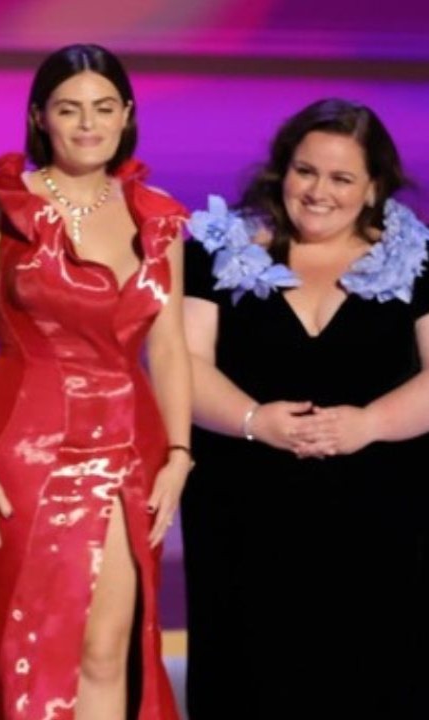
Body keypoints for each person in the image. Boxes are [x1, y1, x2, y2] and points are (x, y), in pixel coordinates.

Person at [0, 44, 191, 719]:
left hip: (129, 446)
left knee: (107, 645)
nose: (87, 124)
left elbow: (172, 350)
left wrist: (179, 455)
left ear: (127, 115)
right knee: (23, 642)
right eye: (69, 109)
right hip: (22, 450)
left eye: (103, 108)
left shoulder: (160, 218)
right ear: (40, 117)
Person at [181, 99, 428, 718]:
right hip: (244, 512)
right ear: (281, 172)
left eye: (342, 178)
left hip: (382, 520)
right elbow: (182, 364)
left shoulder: (420, 260)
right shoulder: (215, 251)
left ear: (373, 187)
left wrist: (366, 424)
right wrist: (252, 420)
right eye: (305, 171)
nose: (319, 192)